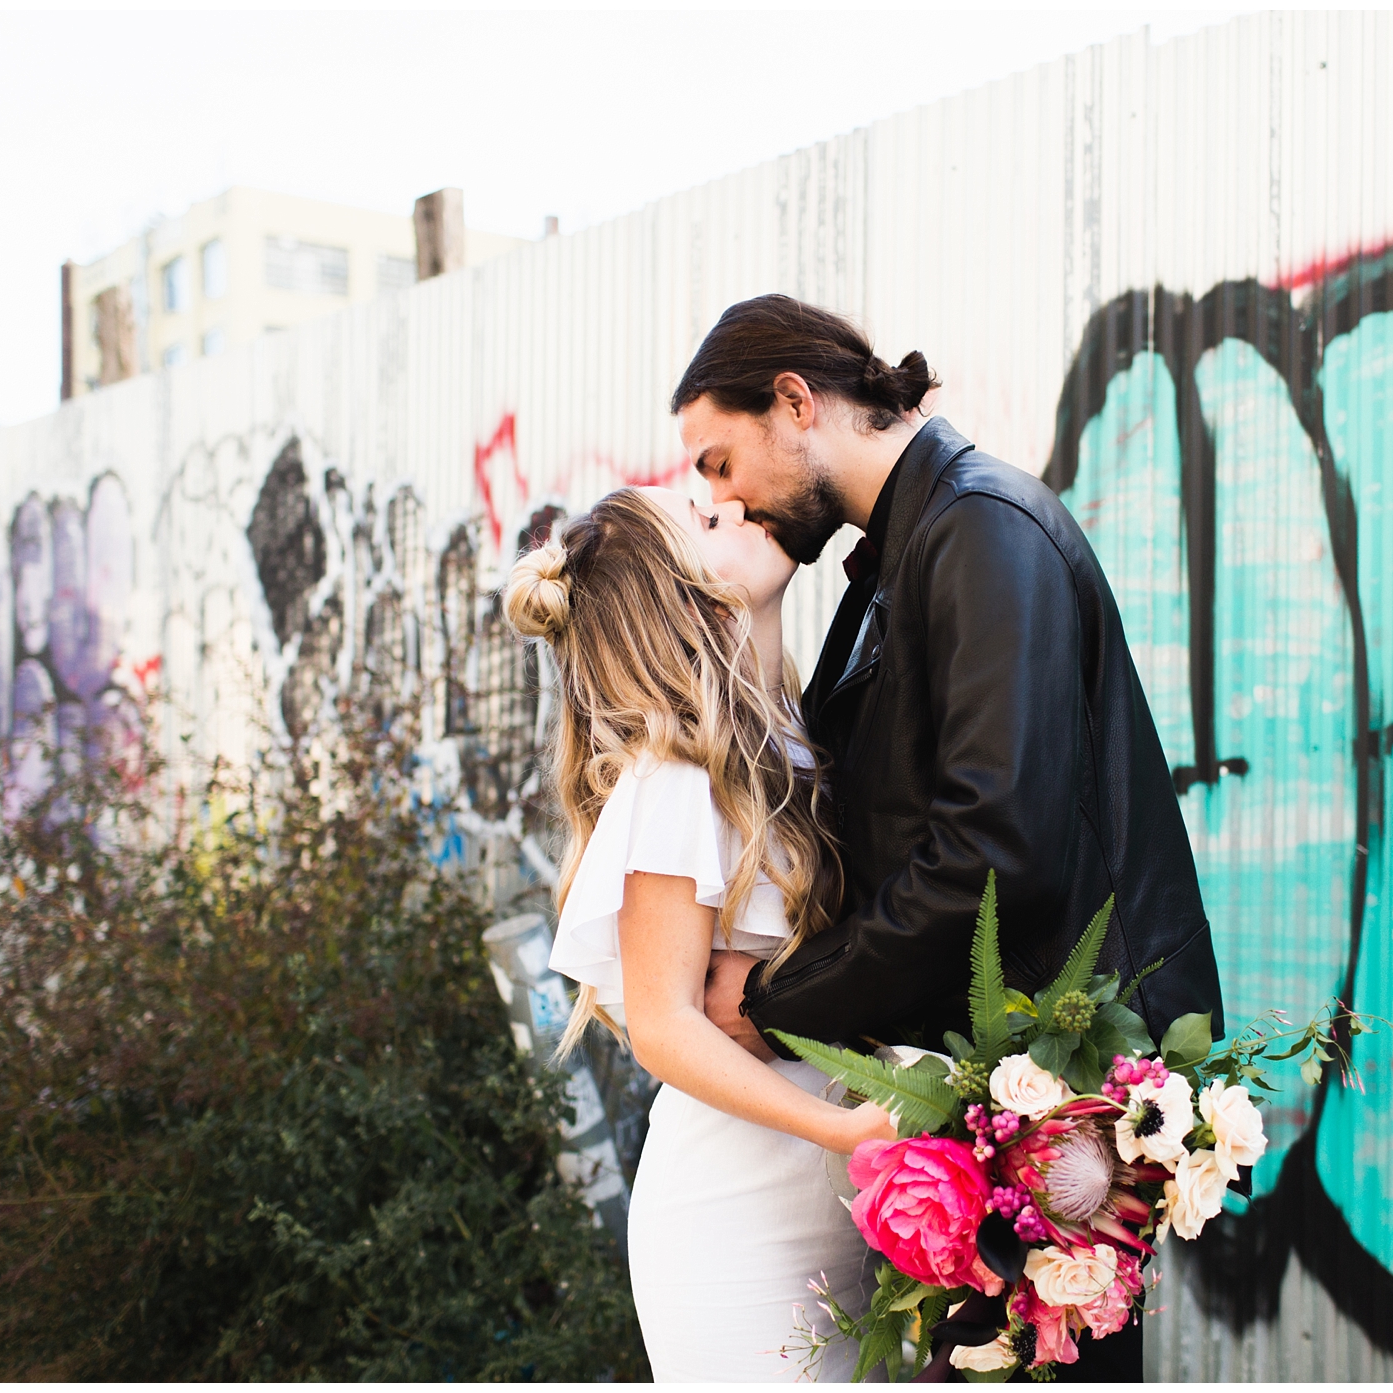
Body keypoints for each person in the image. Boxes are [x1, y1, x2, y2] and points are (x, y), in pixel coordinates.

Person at [676, 294, 1225, 1380]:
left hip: (1060, 1101)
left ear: (795, 402)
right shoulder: (892, 561)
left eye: (721, 458)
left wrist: (783, 998)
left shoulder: (979, 528)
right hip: (988, 1087)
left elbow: (993, 852)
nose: (719, 494)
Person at [502, 486, 892, 1382]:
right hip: (737, 1221)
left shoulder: (798, 734)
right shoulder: (677, 777)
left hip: (832, 1208)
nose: (737, 503)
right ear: (685, 597)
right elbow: (665, 1024)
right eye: (708, 521)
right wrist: (847, 1133)